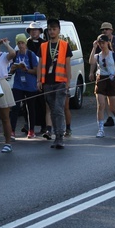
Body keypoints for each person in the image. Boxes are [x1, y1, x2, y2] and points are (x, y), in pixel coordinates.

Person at [37, 18, 71, 149]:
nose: (52, 31)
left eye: (54, 29)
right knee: (52, 110)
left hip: (60, 82)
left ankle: (59, 136)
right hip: (47, 82)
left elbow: (67, 64)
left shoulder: (64, 45)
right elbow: (40, 64)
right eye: (50, 29)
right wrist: (39, 80)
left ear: (59, 30)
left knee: (58, 109)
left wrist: (68, 80)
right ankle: (56, 136)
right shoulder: (43, 46)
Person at [89, 34, 115, 137]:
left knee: (112, 107)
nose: (101, 45)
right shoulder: (98, 56)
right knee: (101, 105)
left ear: (107, 43)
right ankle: (100, 129)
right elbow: (91, 61)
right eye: (99, 43)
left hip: (112, 79)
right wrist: (94, 47)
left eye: (103, 43)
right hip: (101, 79)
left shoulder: (114, 55)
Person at [9, 33, 39, 139]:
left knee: (30, 107)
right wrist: (12, 69)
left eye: (22, 43)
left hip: (30, 85)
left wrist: (27, 70)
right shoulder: (15, 55)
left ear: (25, 44)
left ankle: (31, 131)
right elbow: (10, 72)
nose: (21, 45)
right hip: (18, 85)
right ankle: (12, 131)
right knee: (15, 107)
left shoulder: (31, 55)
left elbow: (36, 70)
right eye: (19, 43)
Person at [99, 22, 115, 128]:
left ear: (111, 30)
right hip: (104, 75)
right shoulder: (100, 42)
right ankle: (109, 117)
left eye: (107, 29)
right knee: (104, 98)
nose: (105, 31)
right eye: (103, 29)